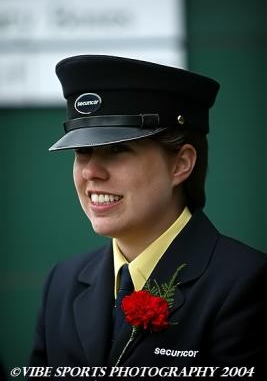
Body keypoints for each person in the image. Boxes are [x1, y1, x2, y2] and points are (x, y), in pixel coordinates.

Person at [29, 55, 267, 379]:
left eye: (117, 149)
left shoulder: (245, 283)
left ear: (181, 164)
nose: (90, 172)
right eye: (82, 152)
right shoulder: (63, 283)